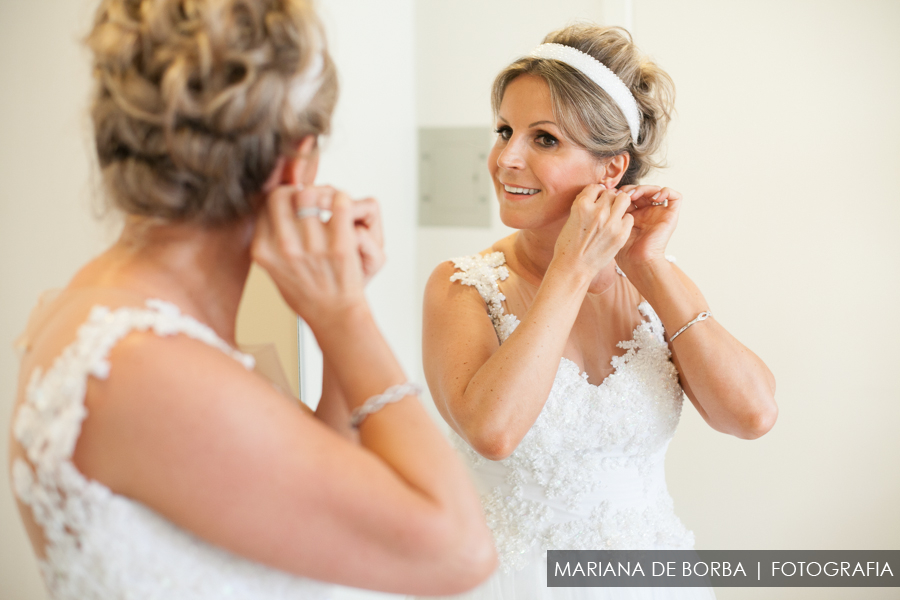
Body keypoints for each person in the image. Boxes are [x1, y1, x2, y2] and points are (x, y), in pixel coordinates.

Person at [7, 0, 497, 598]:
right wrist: (346, 319)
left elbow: (319, 479)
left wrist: (336, 311)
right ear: (296, 166)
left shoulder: (113, 312)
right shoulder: (145, 365)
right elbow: (461, 553)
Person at [422, 24, 777, 598]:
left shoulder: (654, 280)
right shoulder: (462, 286)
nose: (506, 158)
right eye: (505, 131)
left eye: (544, 140)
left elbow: (752, 416)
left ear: (611, 169)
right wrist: (571, 269)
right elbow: (494, 431)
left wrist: (651, 268)